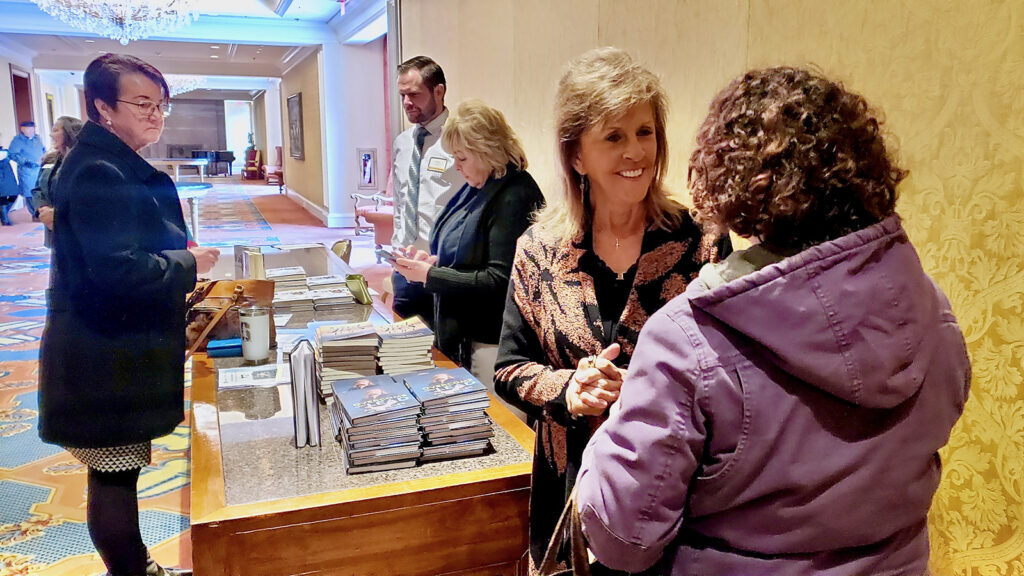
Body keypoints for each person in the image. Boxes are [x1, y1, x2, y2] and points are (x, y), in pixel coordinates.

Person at [575, 67, 971, 575]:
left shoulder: (687, 341)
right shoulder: (932, 312)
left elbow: (623, 539)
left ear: (733, 181)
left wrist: (613, 429)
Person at [493, 47, 728, 574]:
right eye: (614, 136)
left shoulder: (701, 244)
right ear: (576, 155)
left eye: (645, 132)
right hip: (569, 496)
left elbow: (731, 379)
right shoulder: (539, 249)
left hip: (675, 504)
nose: (636, 153)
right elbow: (508, 371)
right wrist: (568, 391)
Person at [38, 53, 220, 576]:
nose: (156, 114)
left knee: (117, 470)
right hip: (102, 352)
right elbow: (115, 270)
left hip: (110, 345)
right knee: (114, 474)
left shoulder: (108, 162)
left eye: (160, 104)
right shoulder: (99, 168)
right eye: (141, 103)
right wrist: (187, 261)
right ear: (101, 108)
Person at [393, 100, 543, 405]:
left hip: (491, 342)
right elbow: (462, 251)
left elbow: (501, 279)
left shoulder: (514, 195)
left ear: (487, 151)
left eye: (461, 158)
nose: (456, 166)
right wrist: (430, 262)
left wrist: (432, 276)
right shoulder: (479, 184)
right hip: (463, 334)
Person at [389, 55, 465, 326]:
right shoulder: (402, 143)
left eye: (414, 94)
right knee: (402, 348)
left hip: (440, 270)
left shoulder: (460, 139)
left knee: (442, 357)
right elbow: (400, 203)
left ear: (439, 92)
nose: (407, 103)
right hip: (403, 267)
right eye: (402, 95)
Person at [34, 115, 84, 247]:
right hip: (53, 230)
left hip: (77, 230)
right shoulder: (49, 160)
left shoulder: (85, 161)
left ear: (69, 132)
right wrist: (43, 208)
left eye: (56, 130)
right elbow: (38, 189)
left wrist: (57, 215)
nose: (51, 134)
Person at [8, 120, 46, 220]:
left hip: (39, 169)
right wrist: (26, 162)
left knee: (40, 190)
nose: (31, 131)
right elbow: (12, 154)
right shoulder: (17, 140)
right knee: (30, 193)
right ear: (22, 129)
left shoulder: (37, 138)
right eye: (29, 129)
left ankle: (41, 212)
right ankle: (34, 214)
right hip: (27, 171)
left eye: (33, 128)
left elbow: (43, 150)